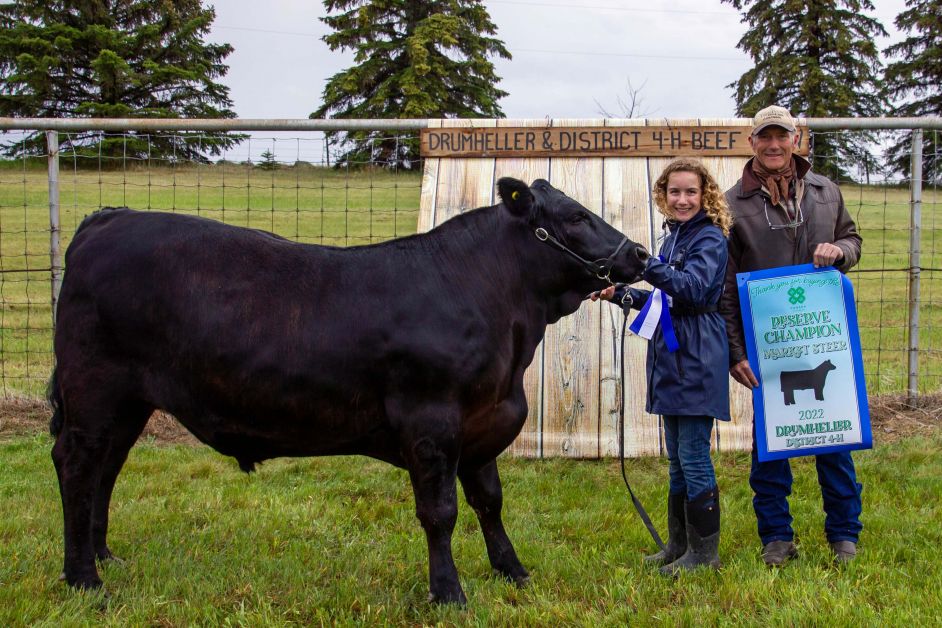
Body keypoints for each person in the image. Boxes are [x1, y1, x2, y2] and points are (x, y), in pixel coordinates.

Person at [720, 105, 864, 566]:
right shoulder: (730, 204)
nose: (775, 145)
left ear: (797, 138)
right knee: (770, 445)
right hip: (770, 345)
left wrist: (838, 250)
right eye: (765, 137)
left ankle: (844, 532)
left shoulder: (825, 191)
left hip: (824, 336)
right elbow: (725, 285)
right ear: (753, 142)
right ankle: (776, 537)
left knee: (834, 437)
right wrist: (735, 352)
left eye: (782, 136)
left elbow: (854, 241)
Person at [592, 157, 731, 574]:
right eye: (675, 192)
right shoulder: (673, 239)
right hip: (673, 356)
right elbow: (664, 300)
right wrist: (621, 294)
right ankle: (679, 544)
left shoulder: (709, 238)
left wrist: (644, 264)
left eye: (691, 192)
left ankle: (705, 556)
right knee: (676, 457)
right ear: (663, 195)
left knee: (692, 454)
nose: (683, 199)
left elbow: (692, 289)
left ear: (704, 194)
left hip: (697, 353)